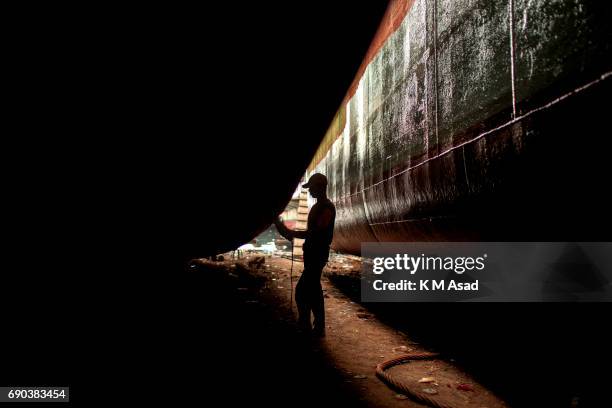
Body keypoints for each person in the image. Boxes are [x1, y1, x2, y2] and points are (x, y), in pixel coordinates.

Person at [274, 173, 336, 337]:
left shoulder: (327, 208)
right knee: (313, 291)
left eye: (312, 188)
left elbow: (315, 233)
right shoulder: (318, 206)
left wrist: (291, 232)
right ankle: (314, 327)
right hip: (313, 255)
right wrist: (290, 232)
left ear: (320, 187)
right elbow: (313, 233)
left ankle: (308, 325)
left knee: (302, 291)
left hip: (317, 255)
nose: (310, 192)